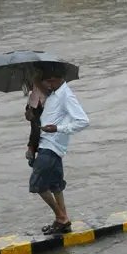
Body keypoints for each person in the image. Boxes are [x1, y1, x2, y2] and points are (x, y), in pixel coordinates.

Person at [29, 63, 90, 235]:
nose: (47, 84)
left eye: (49, 80)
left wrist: (58, 129)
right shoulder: (54, 94)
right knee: (56, 186)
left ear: (57, 78)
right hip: (49, 146)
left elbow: (83, 121)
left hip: (51, 146)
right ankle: (64, 221)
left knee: (38, 185)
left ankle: (61, 218)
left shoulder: (66, 95)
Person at [23, 67, 48, 168]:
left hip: (45, 104)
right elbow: (30, 90)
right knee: (35, 127)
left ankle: (32, 149)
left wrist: (37, 82)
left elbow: (48, 92)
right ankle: (31, 150)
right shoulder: (31, 73)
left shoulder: (50, 76)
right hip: (34, 104)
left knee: (39, 129)